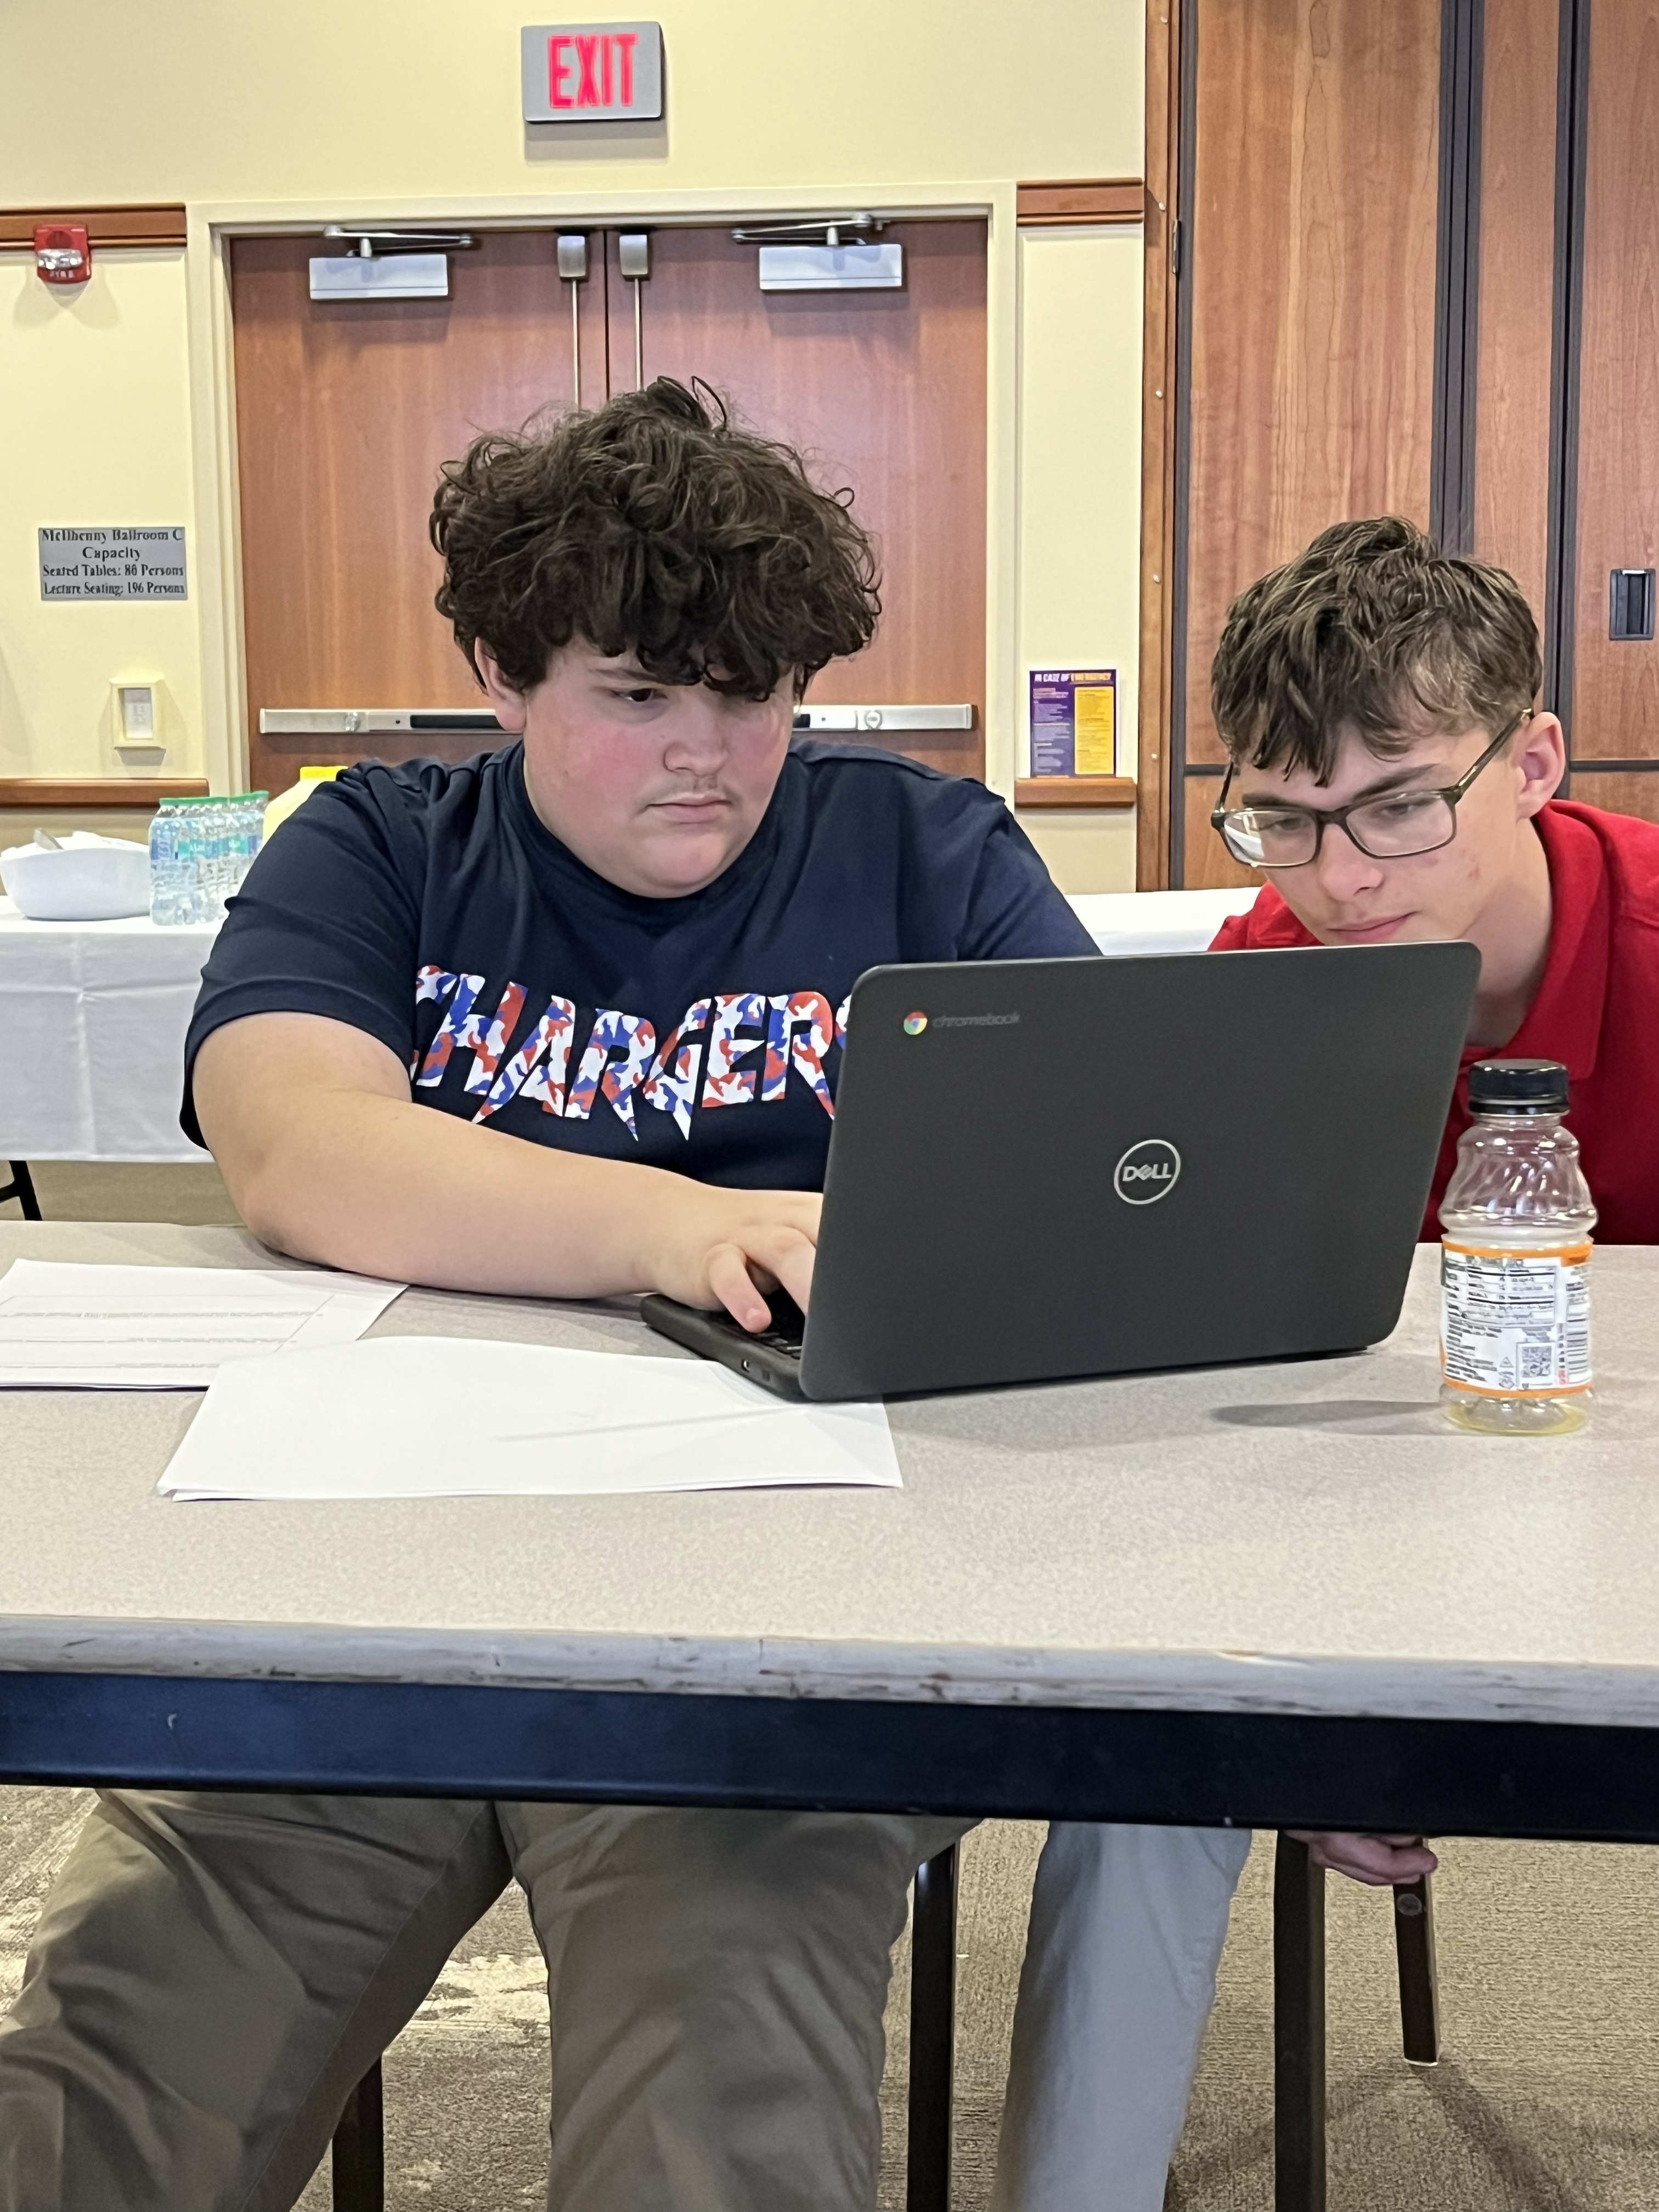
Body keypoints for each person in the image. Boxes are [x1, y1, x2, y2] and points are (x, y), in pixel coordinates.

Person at [1, 374, 1180, 2212]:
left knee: (715, 2095)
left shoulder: (926, 852)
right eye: (636, 697)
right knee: (110, 2072)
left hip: (781, 1647)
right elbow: (294, 1144)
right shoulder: (382, 844)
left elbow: (1113, 1189)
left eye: (752, 695)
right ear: (500, 672)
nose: (705, 752)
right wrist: (676, 1229)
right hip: (362, 1609)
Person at [994, 515, 1659, 2212]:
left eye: (1401, 805)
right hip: (1380, 1510)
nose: (1341, 877)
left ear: (1535, 764)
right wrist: (1295, 1701)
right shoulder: (1266, 985)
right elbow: (1209, 1386)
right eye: (1286, 819)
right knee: (1155, 1747)